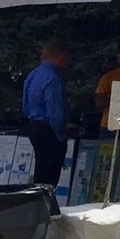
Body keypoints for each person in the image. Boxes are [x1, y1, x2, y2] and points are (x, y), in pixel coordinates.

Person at [21, 41, 70, 184]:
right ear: (58, 55)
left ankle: (37, 200)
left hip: (32, 125)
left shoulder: (33, 74)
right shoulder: (52, 78)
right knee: (50, 174)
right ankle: (45, 202)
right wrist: (61, 136)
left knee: (40, 167)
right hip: (48, 130)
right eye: (66, 56)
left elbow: (25, 103)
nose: (68, 60)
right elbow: (55, 113)